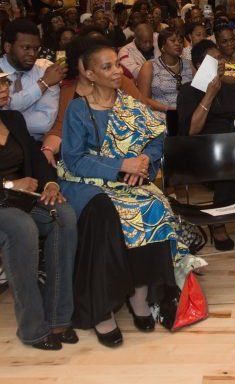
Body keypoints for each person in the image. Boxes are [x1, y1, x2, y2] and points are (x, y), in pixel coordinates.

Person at [58, 43, 191, 348]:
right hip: (87, 183)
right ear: (89, 74)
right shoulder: (78, 109)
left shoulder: (131, 105)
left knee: (155, 205)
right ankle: (102, 308)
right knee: (105, 215)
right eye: (106, 67)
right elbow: (74, 159)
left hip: (130, 179)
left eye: (117, 64)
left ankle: (140, 296)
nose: (117, 71)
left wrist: (144, 160)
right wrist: (121, 164)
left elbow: (157, 137)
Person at [0, 72, 78, 351]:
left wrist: (51, 183)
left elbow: (36, 159)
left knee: (63, 215)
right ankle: (32, 328)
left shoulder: (13, 120)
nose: (4, 88)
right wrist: (10, 183)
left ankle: (59, 317)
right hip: (5, 204)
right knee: (22, 227)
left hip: (21, 199)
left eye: (5, 82)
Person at [176, 40, 235, 249]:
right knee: (229, 154)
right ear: (199, 65)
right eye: (215, 59)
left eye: (221, 58)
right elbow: (191, 131)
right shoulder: (188, 92)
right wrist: (210, 94)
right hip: (200, 153)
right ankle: (220, 222)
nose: (222, 62)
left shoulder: (232, 91)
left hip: (231, 149)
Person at [41, 36, 147, 166]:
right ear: (75, 62)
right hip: (84, 160)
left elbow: (143, 116)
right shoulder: (68, 92)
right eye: (85, 58)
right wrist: (48, 149)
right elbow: (60, 127)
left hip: (124, 155)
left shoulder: (120, 81)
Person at [0, 19, 65, 142]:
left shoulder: (47, 72)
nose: (32, 54)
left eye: (36, 49)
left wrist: (4, 119)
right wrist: (42, 84)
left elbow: (44, 123)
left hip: (34, 147)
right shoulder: (47, 78)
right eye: (26, 48)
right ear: (8, 47)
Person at [138, 27, 193, 112]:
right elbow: (143, 99)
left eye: (180, 41)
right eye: (173, 40)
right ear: (162, 45)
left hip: (187, 116)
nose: (178, 44)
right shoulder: (149, 66)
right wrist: (170, 109)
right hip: (161, 117)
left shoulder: (189, 64)